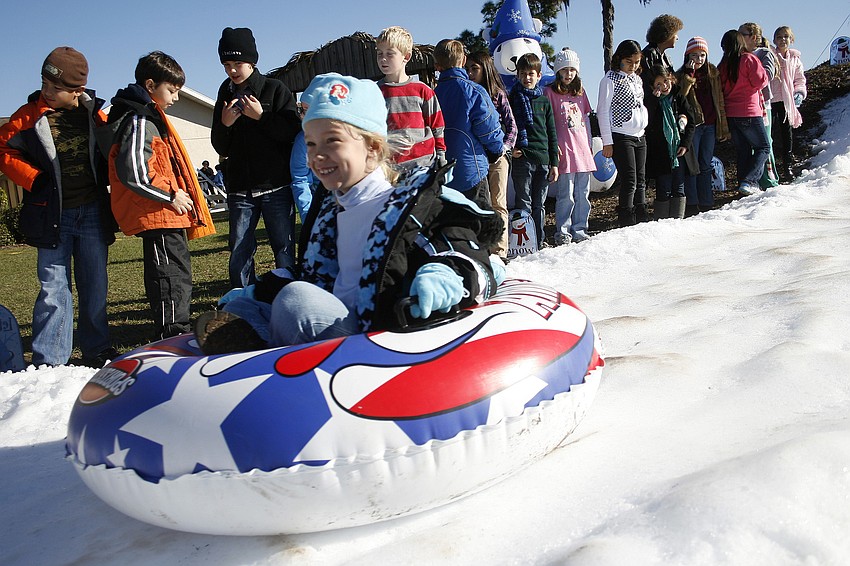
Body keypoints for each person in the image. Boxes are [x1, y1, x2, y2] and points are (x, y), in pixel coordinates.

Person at [195, 73, 504, 354]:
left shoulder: (407, 206)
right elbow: (314, 274)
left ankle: (265, 364)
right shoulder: (332, 211)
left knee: (297, 302)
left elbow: (467, 253)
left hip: (374, 338)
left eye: (332, 141)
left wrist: (443, 274)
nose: (317, 155)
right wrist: (255, 292)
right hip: (336, 321)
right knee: (245, 307)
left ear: (372, 148)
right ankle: (249, 348)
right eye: (311, 143)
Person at [0, 46, 117, 367]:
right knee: (54, 290)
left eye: (55, 87)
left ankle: (97, 350)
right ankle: (50, 362)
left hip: (93, 213)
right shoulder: (27, 115)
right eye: (44, 83)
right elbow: (3, 149)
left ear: (77, 90)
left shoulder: (95, 115)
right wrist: (34, 178)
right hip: (52, 216)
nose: (47, 92)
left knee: (95, 286)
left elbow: (113, 152)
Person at [102, 51, 215, 340]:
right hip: (158, 213)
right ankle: (171, 333)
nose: (176, 98)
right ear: (150, 85)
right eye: (172, 90)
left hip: (165, 214)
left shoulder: (149, 116)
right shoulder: (140, 119)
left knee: (176, 272)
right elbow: (135, 172)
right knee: (168, 275)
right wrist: (171, 195)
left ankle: (176, 327)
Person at [211, 27, 301, 288]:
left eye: (237, 63)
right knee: (239, 248)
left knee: (284, 246)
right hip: (240, 188)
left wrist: (262, 116)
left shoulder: (275, 89)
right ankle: (242, 298)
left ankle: (288, 294)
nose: (232, 70)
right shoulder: (224, 93)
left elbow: (291, 133)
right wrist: (225, 124)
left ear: (251, 62)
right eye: (226, 65)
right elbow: (220, 145)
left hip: (276, 186)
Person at [433, 39, 505, 205]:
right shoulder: (474, 91)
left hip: (443, 173)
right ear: (463, 60)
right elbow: (489, 128)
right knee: (479, 218)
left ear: (437, 65)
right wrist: (497, 150)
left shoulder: (432, 95)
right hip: (472, 171)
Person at [465, 49, 516, 260]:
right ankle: (482, 248)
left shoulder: (497, 94)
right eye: (467, 69)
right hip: (477, 157)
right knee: (480, 203)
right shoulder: (468, 94)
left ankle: (500, 251)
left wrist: (504, 148)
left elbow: (512, 126)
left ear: (485, 69)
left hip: (498, 157)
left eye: (474, 68)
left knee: (498, 202)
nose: (470, 73)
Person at [544, 48, 595, 243]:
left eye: (572, 70)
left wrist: (589, 143)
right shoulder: (549, 92)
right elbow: (546, 121)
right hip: (564, 150)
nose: (569, 74)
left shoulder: (581, 92)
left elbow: (586, 120)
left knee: (583, 194)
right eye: (565, 70)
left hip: (582, 151)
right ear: (558, 71)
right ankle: (563, 232)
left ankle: (580, 229)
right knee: (566, 195)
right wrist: (552, 145)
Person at [376, 26, 446, 169]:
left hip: (423, 165)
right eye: (379, 53)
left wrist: (441, 155)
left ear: (406, 57)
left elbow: (437, 126)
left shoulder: (423, 90)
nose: (383, 58)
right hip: (390, 169)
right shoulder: (375, 92)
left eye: (390, 54)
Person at [509, 53, 559, 248]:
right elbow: (508, 126)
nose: (526, 78)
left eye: (531, 73)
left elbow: (552, 133)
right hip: (523, 158)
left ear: (539, 75)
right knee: (524, 203)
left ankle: (539, 240)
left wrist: (554, 163)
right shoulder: (513, 98)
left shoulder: (544, 101)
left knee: (539, 204)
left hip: (543, 160)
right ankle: (525, 245)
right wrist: (512, 147)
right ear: (518, 75)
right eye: (522, 73)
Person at [598, 40, 650, 227]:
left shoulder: (637, 79)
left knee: (641, 178)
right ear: (619, 58)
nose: (633, 66)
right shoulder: (610, 79)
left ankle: (642, 215)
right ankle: (626, 219)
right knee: (630, 179)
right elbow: (603, 111)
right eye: (629, 62)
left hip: (640, 135)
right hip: (621, 134)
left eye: (637, 62)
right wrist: (607, 141)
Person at [676, 36, 730, 215]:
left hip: (710, 123)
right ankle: (692, 203)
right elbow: (680, 97)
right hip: (694, 125)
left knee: (706, 163)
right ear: (687, 55)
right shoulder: (682, 74)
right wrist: (689, 76)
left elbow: (719, 99)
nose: (699, 59)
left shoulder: (713, 72)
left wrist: (723, 125)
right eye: (694, 55)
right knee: (692, 165)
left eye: (702, 55)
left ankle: (706, 201)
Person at [718, 29, 770, 196]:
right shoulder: (748, 59)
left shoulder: (722, 65)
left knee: (743, 150)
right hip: (749, 111)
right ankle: (749, 181)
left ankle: (742, 184)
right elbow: (761, 81)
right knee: (763, 147)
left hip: (731, 113)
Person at [644, 65, 695, 220]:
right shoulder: (651, 102)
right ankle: (662, 221)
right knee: (663, 187)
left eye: (666, 81)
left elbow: (691, 122)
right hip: (660, 153)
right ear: (653, 86)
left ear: (671, 79)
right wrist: (654, 100)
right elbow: (647, 121)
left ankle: (677, 220)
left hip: (678, 150)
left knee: (679, 186)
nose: (664, 86)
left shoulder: (679, 97)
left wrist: (685, 144)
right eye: (659, 84)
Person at [739, 23, 781, 189]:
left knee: (765, 143)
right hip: (745, 106)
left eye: (742, 34)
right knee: (749, 146)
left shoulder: (764, 53)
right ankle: (752, 181)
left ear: (753, 37)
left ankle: (769, 180)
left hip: (763, 105)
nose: (739, 37)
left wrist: (749, 74)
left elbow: (768, 74)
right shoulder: (739, 55)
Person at [771, 25, 807, 183]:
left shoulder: (795, 60)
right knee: (769, 135)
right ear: (774, 40)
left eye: (785, 37)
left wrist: (799, 93)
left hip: (787, 102)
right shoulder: (771, 55)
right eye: (779, 37)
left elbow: (800, 79)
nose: (782, 40)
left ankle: (787, 167)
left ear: (791, 39)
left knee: (787, 135)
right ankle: (770, 169)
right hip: (771, 100)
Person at [641, 15, 684, 92]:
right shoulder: (649, 54)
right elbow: (647, 83)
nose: (677, 38)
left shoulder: (666, 57)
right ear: (667, 35)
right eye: (675, 34)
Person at [289, 101, 315, 219]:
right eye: (302, 110)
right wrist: (308, 217)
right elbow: (301, 179)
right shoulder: (303, 141)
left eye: (306, 110)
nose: (302, 115)